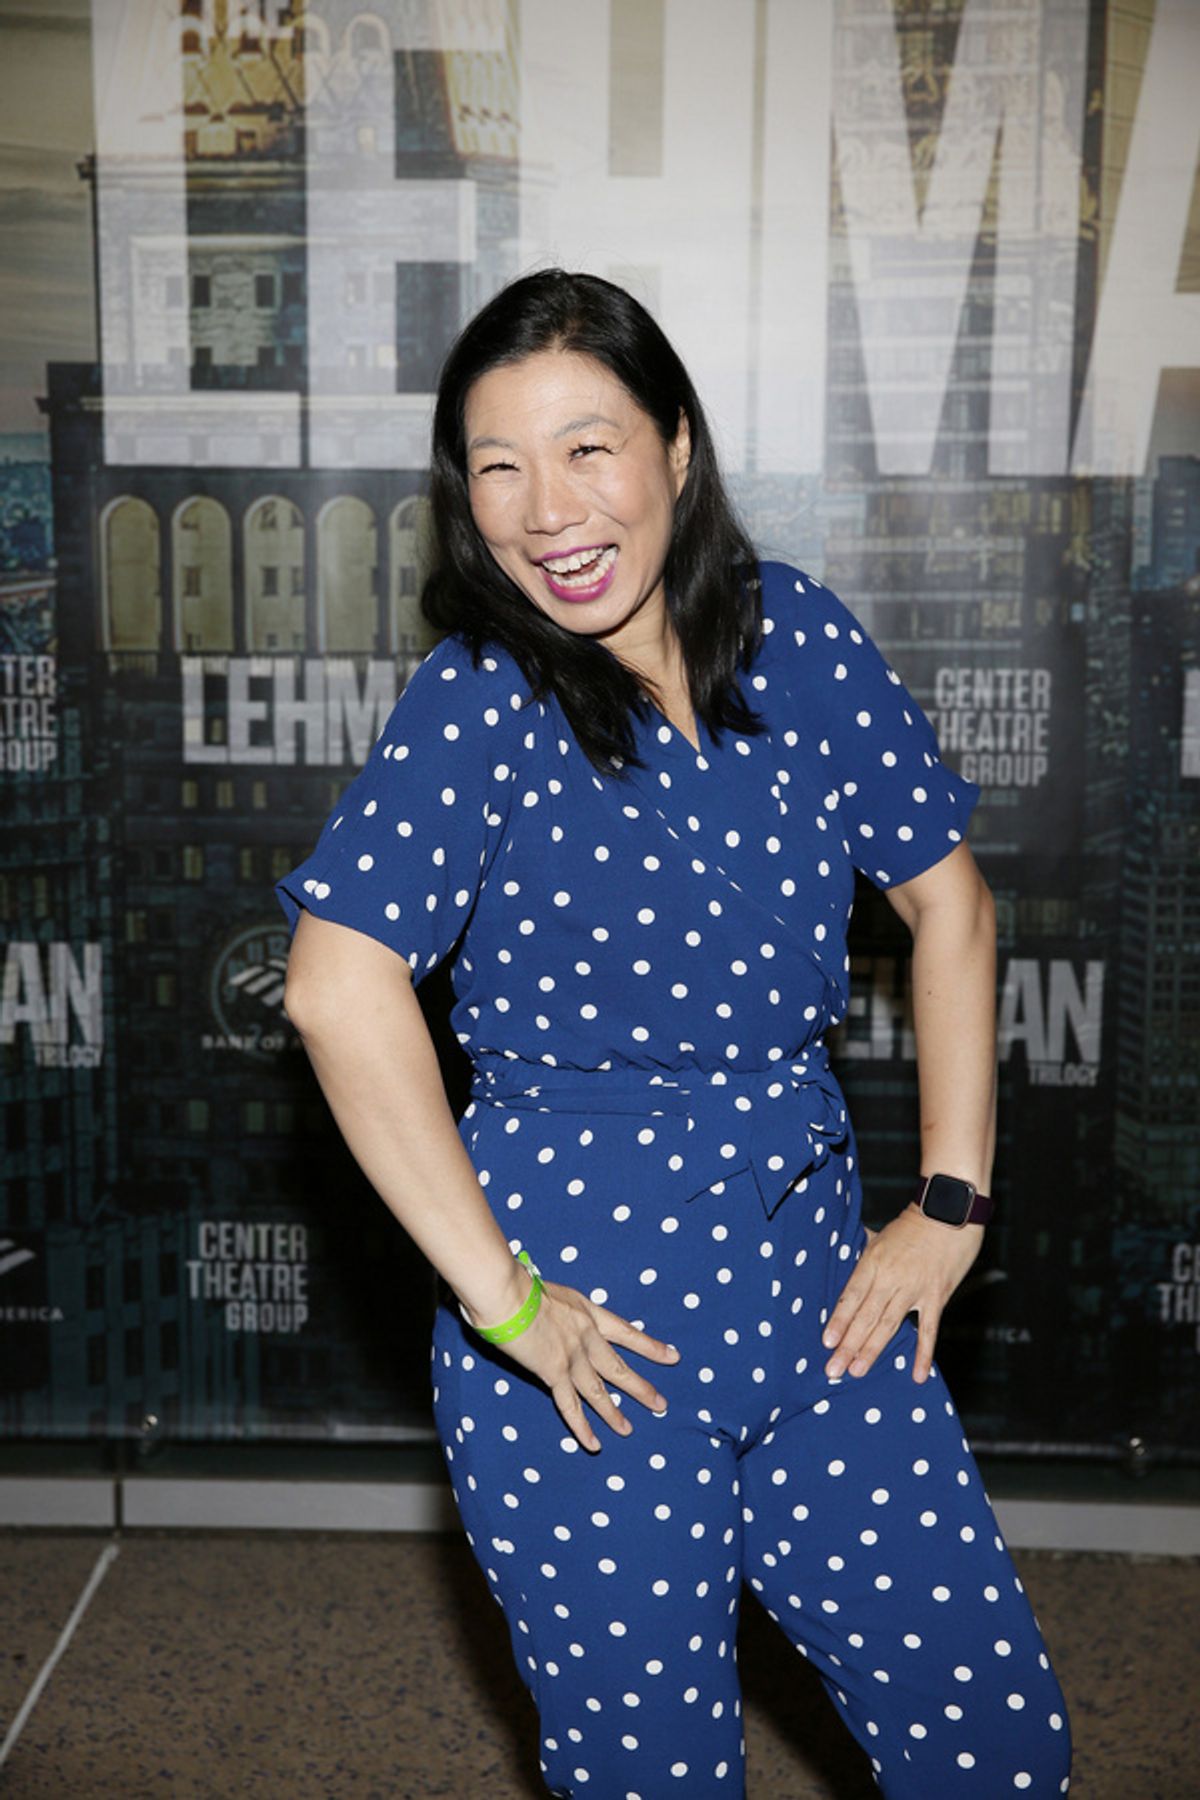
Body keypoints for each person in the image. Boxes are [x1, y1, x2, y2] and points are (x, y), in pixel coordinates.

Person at [275, 270, 1072, 1799]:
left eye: (587, 448)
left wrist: (952, 1202)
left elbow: (952, 907)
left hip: (823, 1306)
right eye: (496, 466)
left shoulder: (798, 643)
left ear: (679, 452)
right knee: (658, 1777)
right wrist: (504, 1306)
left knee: (994, 1744)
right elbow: (332, 983)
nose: (544, 508)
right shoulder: (482, 702)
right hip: (593, 1360)